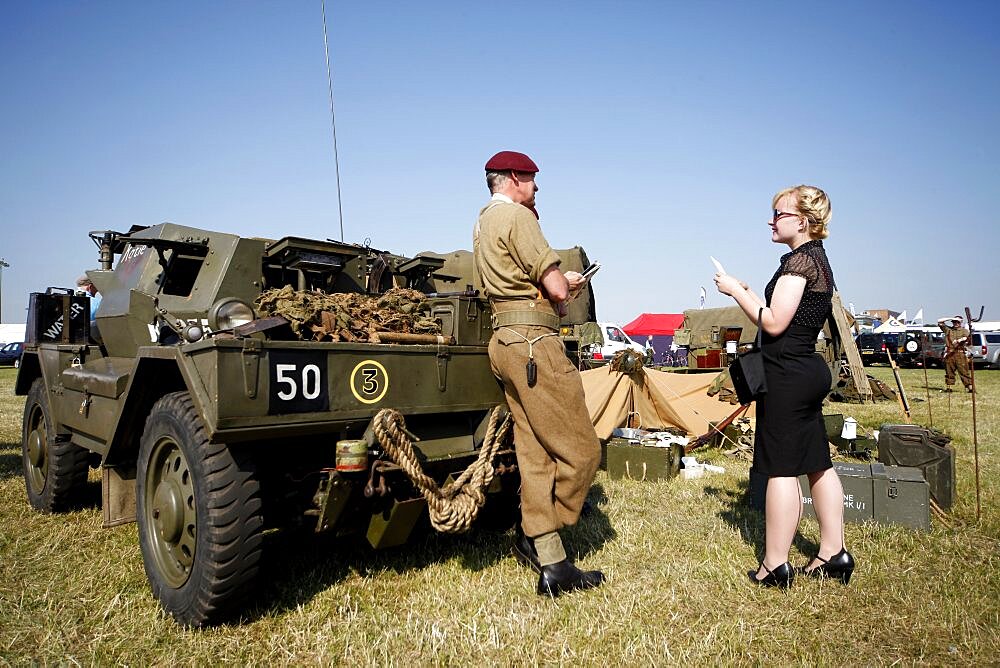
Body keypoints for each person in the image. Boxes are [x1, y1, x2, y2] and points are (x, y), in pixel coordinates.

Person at [473, 150, 603, 596]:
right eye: (531, 178)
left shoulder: (483, 221)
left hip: (504, 340)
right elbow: (553, 288)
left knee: (534, 456)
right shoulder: (518, 217)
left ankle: (551, 563)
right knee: (583, 451)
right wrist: (568, 283)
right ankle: (537, 530)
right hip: (534, 342)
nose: (536, 187)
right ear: (512, 177)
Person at [715, 185, 854, 589]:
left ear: (804, 221)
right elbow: (787, 316)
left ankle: (774, 565)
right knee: (817, 462)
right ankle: (833, 552)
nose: (772, 219)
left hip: (788, 374)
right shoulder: (819, 261)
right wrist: (750, 292)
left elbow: (774, 322)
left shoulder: (799, 263)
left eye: (779, 213)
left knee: (780, 469)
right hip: (807, 369)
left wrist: (737, 291)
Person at [938, 316, 973, 392]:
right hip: (950, 353)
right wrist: (950, 318)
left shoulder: (964, 330)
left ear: (961, 322)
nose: (956, 323)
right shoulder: (948, 330)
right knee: (949, 371)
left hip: (960, 353)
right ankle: (949, 388)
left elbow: (966, 338)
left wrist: (958, 340)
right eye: (954, 322)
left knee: (964, 371)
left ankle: (970, 388)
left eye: (957, 322)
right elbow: (940, 321)